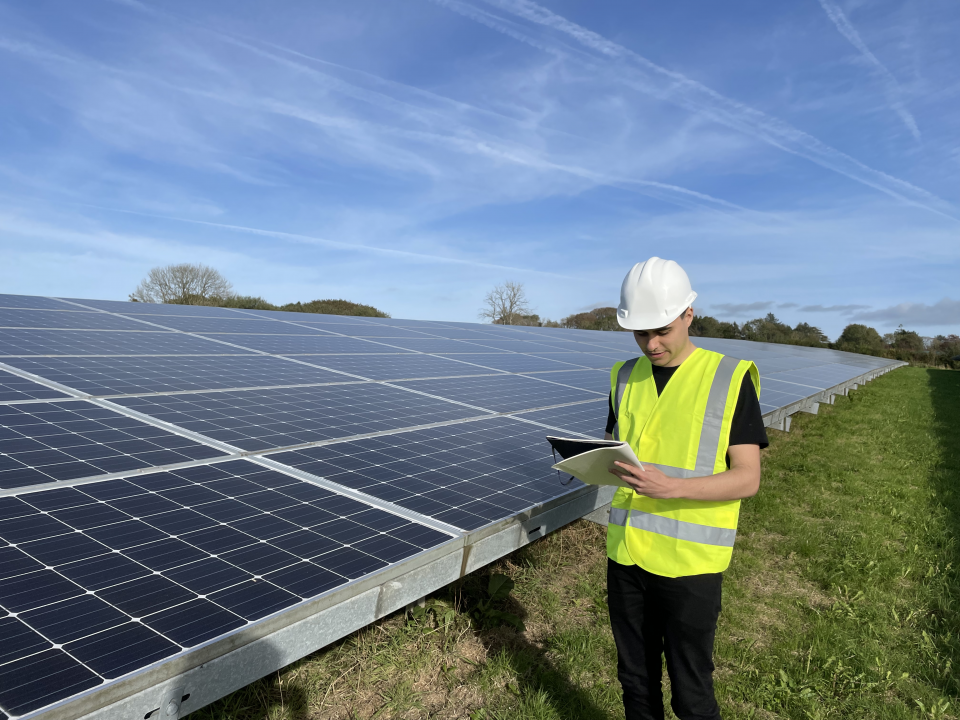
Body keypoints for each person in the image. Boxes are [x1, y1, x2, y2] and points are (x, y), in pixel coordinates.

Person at [602, 257, 768, 720]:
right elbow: (621, 453)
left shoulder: (729, 378)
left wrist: (671, 487)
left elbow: (747, 477)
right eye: (640, 334)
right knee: (634, 680)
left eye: (662, 331)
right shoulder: (622, 377)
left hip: (690, 565)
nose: (651, 344)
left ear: (688, 315)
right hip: (627, 553)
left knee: (691, 690)